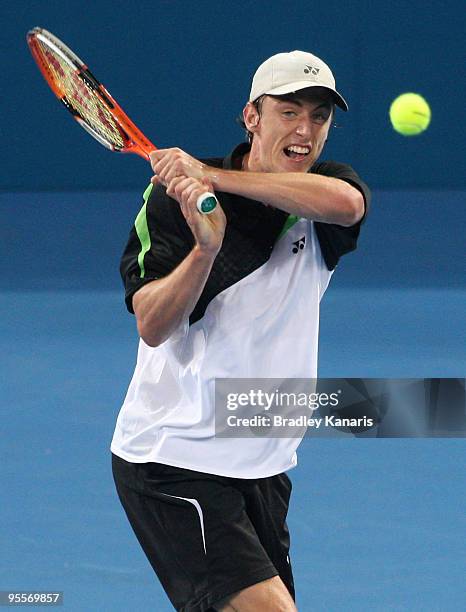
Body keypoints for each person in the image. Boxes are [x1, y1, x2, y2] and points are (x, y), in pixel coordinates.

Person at [111, 50, 371, 612]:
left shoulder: (323, 192)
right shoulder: (171, 201)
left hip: (264, 461)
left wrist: (213, 177)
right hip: (174, 456)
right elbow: (152, 325)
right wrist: (206, 247)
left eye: (320, 116)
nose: (305, 129)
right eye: (289, 111)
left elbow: (347, 206)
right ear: (252, 116)